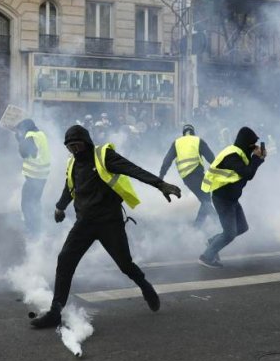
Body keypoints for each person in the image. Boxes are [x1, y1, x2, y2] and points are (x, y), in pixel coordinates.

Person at [30, 125, 181, 328]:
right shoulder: (72, 163)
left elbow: (132, 168)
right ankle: (56, 311)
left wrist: (159, 184)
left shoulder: (103, 155)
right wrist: (60, 207)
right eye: (70, 147)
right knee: (65, 260)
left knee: (125, 265)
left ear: (86, 142)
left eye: (77, 145)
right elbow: (69, 187)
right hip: (84, 224)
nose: (75, 150)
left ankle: (145, 286)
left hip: (109, 222)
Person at [198, 126, 265, 268]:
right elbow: (248, 174)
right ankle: (206, 257)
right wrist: (257, 158)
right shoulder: (232, 155)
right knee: (229, 234)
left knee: (242, 227)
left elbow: (248, 171)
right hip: (222, 199)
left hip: (232, 198)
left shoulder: (241, 153)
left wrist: (259, 158)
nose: (254, 147)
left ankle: (212, 242)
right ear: (246, 143)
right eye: (252, 144)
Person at [159, 124, 217, 228]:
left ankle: (197, 226)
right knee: (205, 199)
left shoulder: (176, 143)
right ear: (193, 132)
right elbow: (211, 158)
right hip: (198, 175)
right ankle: (218, 222)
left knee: (205, 199)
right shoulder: (198, 140)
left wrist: (161, 176)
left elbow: (166, 161)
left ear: (183, 133)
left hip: (187, 178)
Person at [15, 118, 51, 237]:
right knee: (35, 202)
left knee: (26, 203)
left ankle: (31, 229)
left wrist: (20, 140)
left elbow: (24, 153)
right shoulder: (41, 134)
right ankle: (37, 227)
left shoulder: (30, 135)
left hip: (34, 176)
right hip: (42, 175)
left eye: (21, 130)